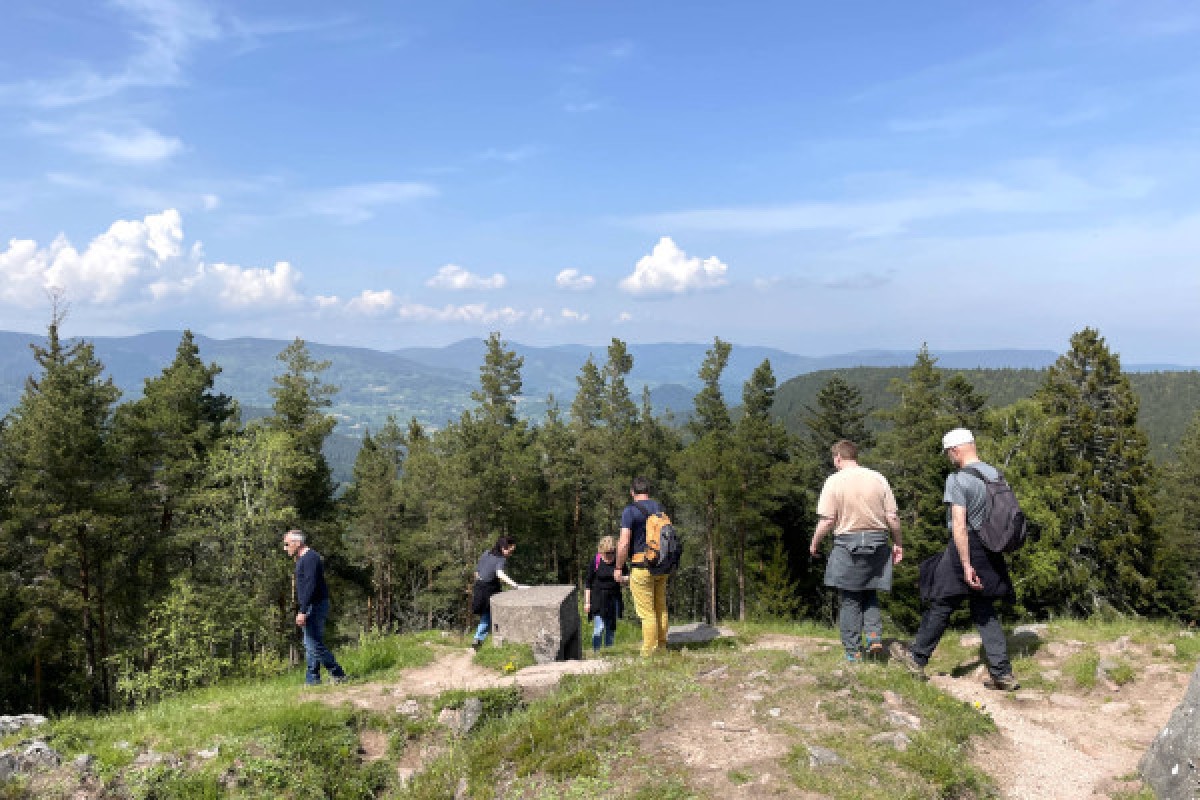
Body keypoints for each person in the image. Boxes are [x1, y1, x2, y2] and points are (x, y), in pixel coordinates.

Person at [890, 428, 1020, 690]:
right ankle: (1002, 674)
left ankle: (916, 659)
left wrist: (965, 563)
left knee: (941, 600)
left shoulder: (958, 479)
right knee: (984, 608)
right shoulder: (994, 474)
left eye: (949, 453)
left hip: (968, 546)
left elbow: (959, 524)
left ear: (955, 451)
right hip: (991, 546)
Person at [809, 439, 904, 662]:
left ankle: (853, 652)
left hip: (847, 544)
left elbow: (828, 520)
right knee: (870, 591)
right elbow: (892, 517)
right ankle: (873, 637)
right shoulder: (878, 478)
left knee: (850, 598)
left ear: (838, 458)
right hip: (878, 542)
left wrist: (814, 543)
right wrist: (898, 542)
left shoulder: (833, 481)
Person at [282, 529, 348, 686]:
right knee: (310, 643)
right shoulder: (302, 559)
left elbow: (310, 586)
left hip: (315, 605)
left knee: (313, 644)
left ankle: (338, 674)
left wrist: (303, 610)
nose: (285, 548)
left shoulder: (310, 558)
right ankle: (312, 679)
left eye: (287, 544)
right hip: (311, 605)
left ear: (297, 543)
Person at [614, 477, 669, 657]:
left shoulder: (630, 511)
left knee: (647, 613)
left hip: (641, 566)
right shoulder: (659, 508)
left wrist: (618, 567)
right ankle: (661, 647)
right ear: (649, 491)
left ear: (632, 492)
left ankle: (648, 652)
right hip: (661, 566)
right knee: (660, 608)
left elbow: (623, 543)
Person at [471, 536, 526, 650]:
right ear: (503, 547)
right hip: (488, 589)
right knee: (489, 614)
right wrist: (516, 586)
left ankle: (478, 639)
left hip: (479, 587)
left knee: (486, 615)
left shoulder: (486, 553)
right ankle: (479, 640)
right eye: (509, 550)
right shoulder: (501, 559)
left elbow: (476, 572)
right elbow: (500, 574)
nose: (510, 553)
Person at [584, 535, 626, 652]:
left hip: (614, 599)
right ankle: (596, 652)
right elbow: (588, 583)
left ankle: (608, 652)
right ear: (601, 551)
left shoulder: (619, 561)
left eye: (612, 552)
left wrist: (622, 579)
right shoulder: (596, 561)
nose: (610, 555)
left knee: (610, 628)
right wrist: (587, 603)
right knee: (599, 628)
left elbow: (627, 579)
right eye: (607, 552)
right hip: (598, 599)